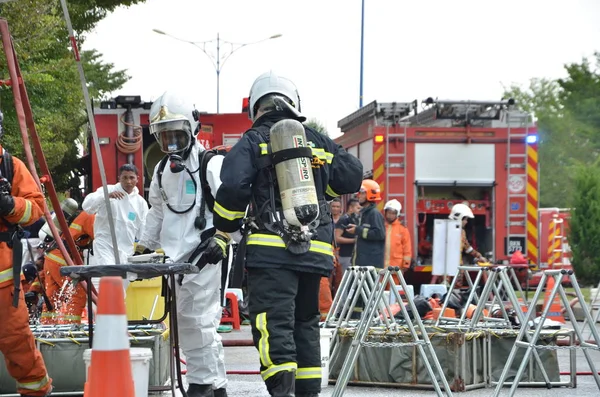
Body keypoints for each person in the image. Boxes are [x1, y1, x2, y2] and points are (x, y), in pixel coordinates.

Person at [207, 71, 363, 397]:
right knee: (305, 325)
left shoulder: (253, 139)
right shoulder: (316, 140)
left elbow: (234, 185)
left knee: (272, 324)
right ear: (294, 103)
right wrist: (320, 184)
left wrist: (224, 228)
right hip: (316, 251)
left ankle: (282, 394)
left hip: (271, 252)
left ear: (257, 108)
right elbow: (350, 176)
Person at [135, 90, 228, 397]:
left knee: (197, 324)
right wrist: (143, 248)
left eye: (176, 135)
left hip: (207, 256)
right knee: (195, 327)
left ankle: (200, 386)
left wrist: (224, 238)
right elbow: (157, 213)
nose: (171, 144)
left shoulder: (209, 164)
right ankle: (217, 387)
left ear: (193, 129)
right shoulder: (162, 171)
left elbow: (235, 207)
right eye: (164, 138)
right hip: (176, 261)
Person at [0, 122, 53, 395]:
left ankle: (35, 392)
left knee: (18, 344)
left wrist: (9, 204)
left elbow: (36, 208)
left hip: (4, 282)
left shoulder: (10, 165)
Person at [82, 163, 148, 267]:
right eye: (124, 177)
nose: (128, 181)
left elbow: (143, 230)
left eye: (131, 178)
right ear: (119, 178)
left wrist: (142, 250)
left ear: (137, 179)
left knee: (122, 282)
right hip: (105, 245)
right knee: (110, 276)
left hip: (126, 251)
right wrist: (106, 197)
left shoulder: (141, 203)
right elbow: (87, 206)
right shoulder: (107, 190)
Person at [40, 209, 95, 324]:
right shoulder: (90, 216)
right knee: (78, 293)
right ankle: (71, 327)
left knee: (53, 296)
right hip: (63, 259)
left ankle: (47, 327)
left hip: (52, 256)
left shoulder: (79, 214)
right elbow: (100, 237)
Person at [431, 203, 485, 285]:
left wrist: (479, 256)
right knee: (444, 287)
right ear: (459, 217)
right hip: (446, 266)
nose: (466, 222)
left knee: (457, 287)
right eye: (465, 219)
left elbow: (467, 247)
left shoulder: (462, 232)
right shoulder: (445, 229)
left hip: (458, 266)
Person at [347, 179, 386, 268]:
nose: (358, 195)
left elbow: (379, 234)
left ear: (370, 195)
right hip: (363, 265)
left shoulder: (374, 213)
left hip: (370, 266)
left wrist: (357, 230)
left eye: (362, 192)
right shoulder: (365, 213)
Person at [383, 199, 412, 272]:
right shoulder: (381, 227)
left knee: (395, 284)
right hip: (381, 267)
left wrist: (406, 264)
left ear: (397, 214)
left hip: (396, 268)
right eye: (388, 213)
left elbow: (407, 248)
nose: (390, 215)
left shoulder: (403, 229)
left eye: (393, 213)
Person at [334, 198, 360, 272]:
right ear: (351, 208)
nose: (359, 210)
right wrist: (355, 240)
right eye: (358, 208)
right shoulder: (344, 219)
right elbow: (337, 238)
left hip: (353, 255)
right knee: (348, 280)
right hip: (345, 255)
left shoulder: (355, 219)